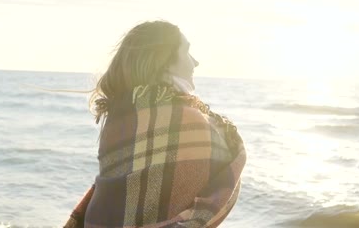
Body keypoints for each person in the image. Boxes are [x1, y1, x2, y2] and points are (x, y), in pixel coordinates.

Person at [63, 20, 246, 228]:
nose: (195, 62)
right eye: (187, 52)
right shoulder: (186, 120)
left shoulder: (119, 114)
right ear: (165, 60)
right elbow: (226, 165)